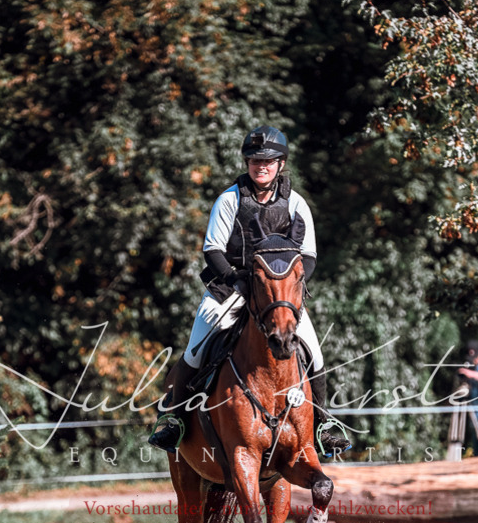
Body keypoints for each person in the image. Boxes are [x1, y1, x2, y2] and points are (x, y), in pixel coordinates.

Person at [148, 125, 350, 457]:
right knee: (196, 351)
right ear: (247, 163)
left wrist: (287, 290)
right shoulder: (229, 200)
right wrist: (239, 281)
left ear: (281, 164)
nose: (261, 166)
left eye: (268, 161)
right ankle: (175, 421)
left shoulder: (296, 204)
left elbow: (309, 257)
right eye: (255, 160)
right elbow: (212, 250)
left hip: (277, 298)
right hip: (229, 290)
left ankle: (323, 425)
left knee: (315, 353)